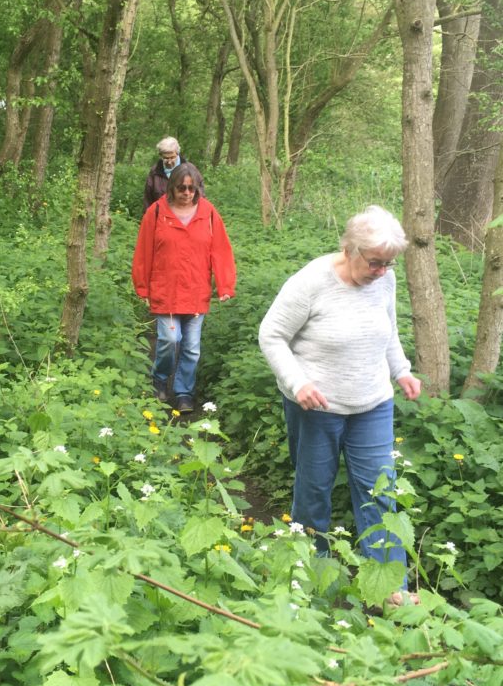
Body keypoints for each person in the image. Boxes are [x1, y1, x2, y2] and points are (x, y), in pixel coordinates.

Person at [259, 205, 421, 603]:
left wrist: (401, 369)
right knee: (314, 492)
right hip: (317, 407)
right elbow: (271, 335)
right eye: (375, 263)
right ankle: (310, 581)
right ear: (349, 248)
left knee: (380, 495)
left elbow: (388, 329)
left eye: (389, 263)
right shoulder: (312, 282)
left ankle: (389, 592)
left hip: (373, 404)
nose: (382, 271)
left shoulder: (384, 279)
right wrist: (298, 383)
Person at [132, 162, 236, 413]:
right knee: (169, 339)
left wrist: (224, 284)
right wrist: (142, 287)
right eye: (182, 187)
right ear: (172, 187)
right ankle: (159, 379)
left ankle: (183, 392)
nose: (187, 192)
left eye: (192, 188)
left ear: (198, 188)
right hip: (166, 290)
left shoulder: (209, 213)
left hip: (196, 291)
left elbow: (221, 251)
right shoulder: (156, 213)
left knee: (191, 347)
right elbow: (144, 252)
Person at [143, 136, 205, 212]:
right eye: (165, 158)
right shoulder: (155, 171)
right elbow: (148, 199)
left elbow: (201, 196)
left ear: (178, 153)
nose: (169, 161)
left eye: (172, 157)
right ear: (160, 155)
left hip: (185, 215)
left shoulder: (191, 170)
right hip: (161, 217)